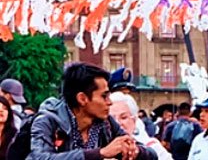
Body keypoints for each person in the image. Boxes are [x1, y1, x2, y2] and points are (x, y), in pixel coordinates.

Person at [27, 62, 157, 159]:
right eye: (104, 96)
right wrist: (100, 153)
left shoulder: (106, 122)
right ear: (82, 99)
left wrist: (134, 150)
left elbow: (151, 154)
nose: (109, 102)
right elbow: (40, 158)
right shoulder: (48, 120)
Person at [110, 92, 172, 160]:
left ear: (134, 120)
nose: (117, 123)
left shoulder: (152, 146)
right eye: (112, 119)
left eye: (123, 117)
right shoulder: (101, 149)